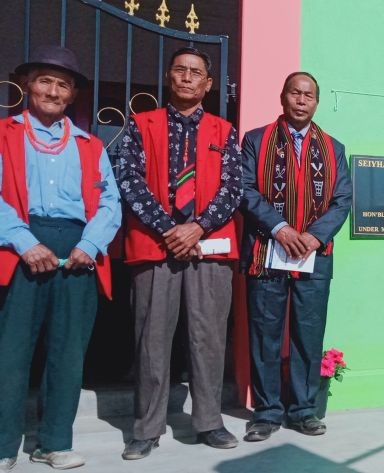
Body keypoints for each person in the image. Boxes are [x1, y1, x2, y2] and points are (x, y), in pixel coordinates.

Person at [117, 47, 243, 459]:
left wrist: (197, 226)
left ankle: (209, 421)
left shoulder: (224, 131)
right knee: (151, 340)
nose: (188, 78)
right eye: (180, 70)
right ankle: (147, 427)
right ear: (169, 77)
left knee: (208, 338)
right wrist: (170, 228)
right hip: (157, 247)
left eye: (196, 73)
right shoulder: (141, 124)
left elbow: (233, 188)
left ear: (208, 84)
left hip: (209, 248)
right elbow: (129, 181)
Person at [0, 45, 121, 471]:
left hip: (77, 250)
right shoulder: (4, 134)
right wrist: (23, 241)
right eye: (45, 81)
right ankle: (2, 446)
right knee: (10, 353)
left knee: (68, 352)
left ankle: (53, 442)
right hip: (18, 248)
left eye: (63, 85)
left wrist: (89, 246)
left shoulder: (90, 145)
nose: (53, 90)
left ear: (72, 96)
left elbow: (110, 202)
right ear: (28, 85)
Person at [240, 72, 352, 440]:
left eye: (309, 95)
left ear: (316, 102)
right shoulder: (256, 141)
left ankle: (304, 410)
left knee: (308, 333)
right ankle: (267, 412)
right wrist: (281, 229)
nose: (302, 100)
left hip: (314, 256)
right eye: (295, 93)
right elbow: (245, 190)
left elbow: (342, 201)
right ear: (283, 97)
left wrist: (314, 237)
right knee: (265, 334)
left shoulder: (334, 148)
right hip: (267, 251)